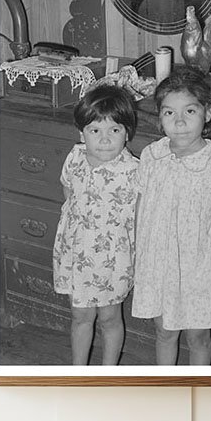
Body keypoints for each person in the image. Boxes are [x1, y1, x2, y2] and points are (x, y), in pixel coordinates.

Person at [132, 67, 211, 365]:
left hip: (198, 269)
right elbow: (141, 208)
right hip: (158, 265)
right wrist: (138, 256)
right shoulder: (152, 156)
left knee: (198, 337)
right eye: (169, 113)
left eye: (189, 111)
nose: (179, 122)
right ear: (160, 116)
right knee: (164, 331)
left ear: (206, 113)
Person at [52, 83, 140, 365]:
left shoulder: (134, 171)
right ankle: (79, 373)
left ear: (127, 133)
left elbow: (140, 216)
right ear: (82, 133)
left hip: (113, 259)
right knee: (80, 316)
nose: (104, 139)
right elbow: (68, 193)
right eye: (95, 130)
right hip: (76, 254)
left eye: (114, 130)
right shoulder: (75, 158)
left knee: (110, 316)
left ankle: (108, 372)